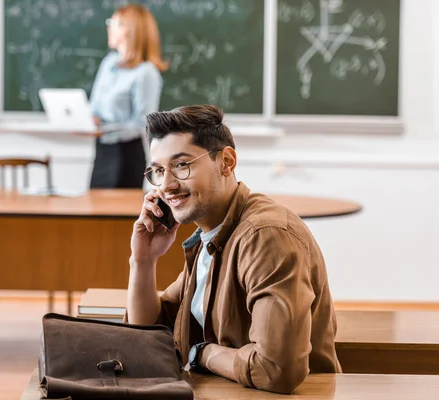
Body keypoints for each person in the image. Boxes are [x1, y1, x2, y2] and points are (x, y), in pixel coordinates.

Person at [125, 104, 342, 394]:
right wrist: (143, 260)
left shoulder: (267, 236)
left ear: (226, 162)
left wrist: (203, 354)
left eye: (181, 165)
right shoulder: (209, 236)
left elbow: (276, 369)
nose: (167, 185)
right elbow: (148, 338)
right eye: (159, 170)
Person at [89, 4, 168, 189]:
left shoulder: (146, 73)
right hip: (102, 150)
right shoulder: (108, 63)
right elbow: (94, 106)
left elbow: (143, 123)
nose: (108, 27)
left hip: (126, 153)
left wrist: (107, 128)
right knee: (94, 211)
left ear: (128, 30)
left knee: (118, 214)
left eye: (113, 22)